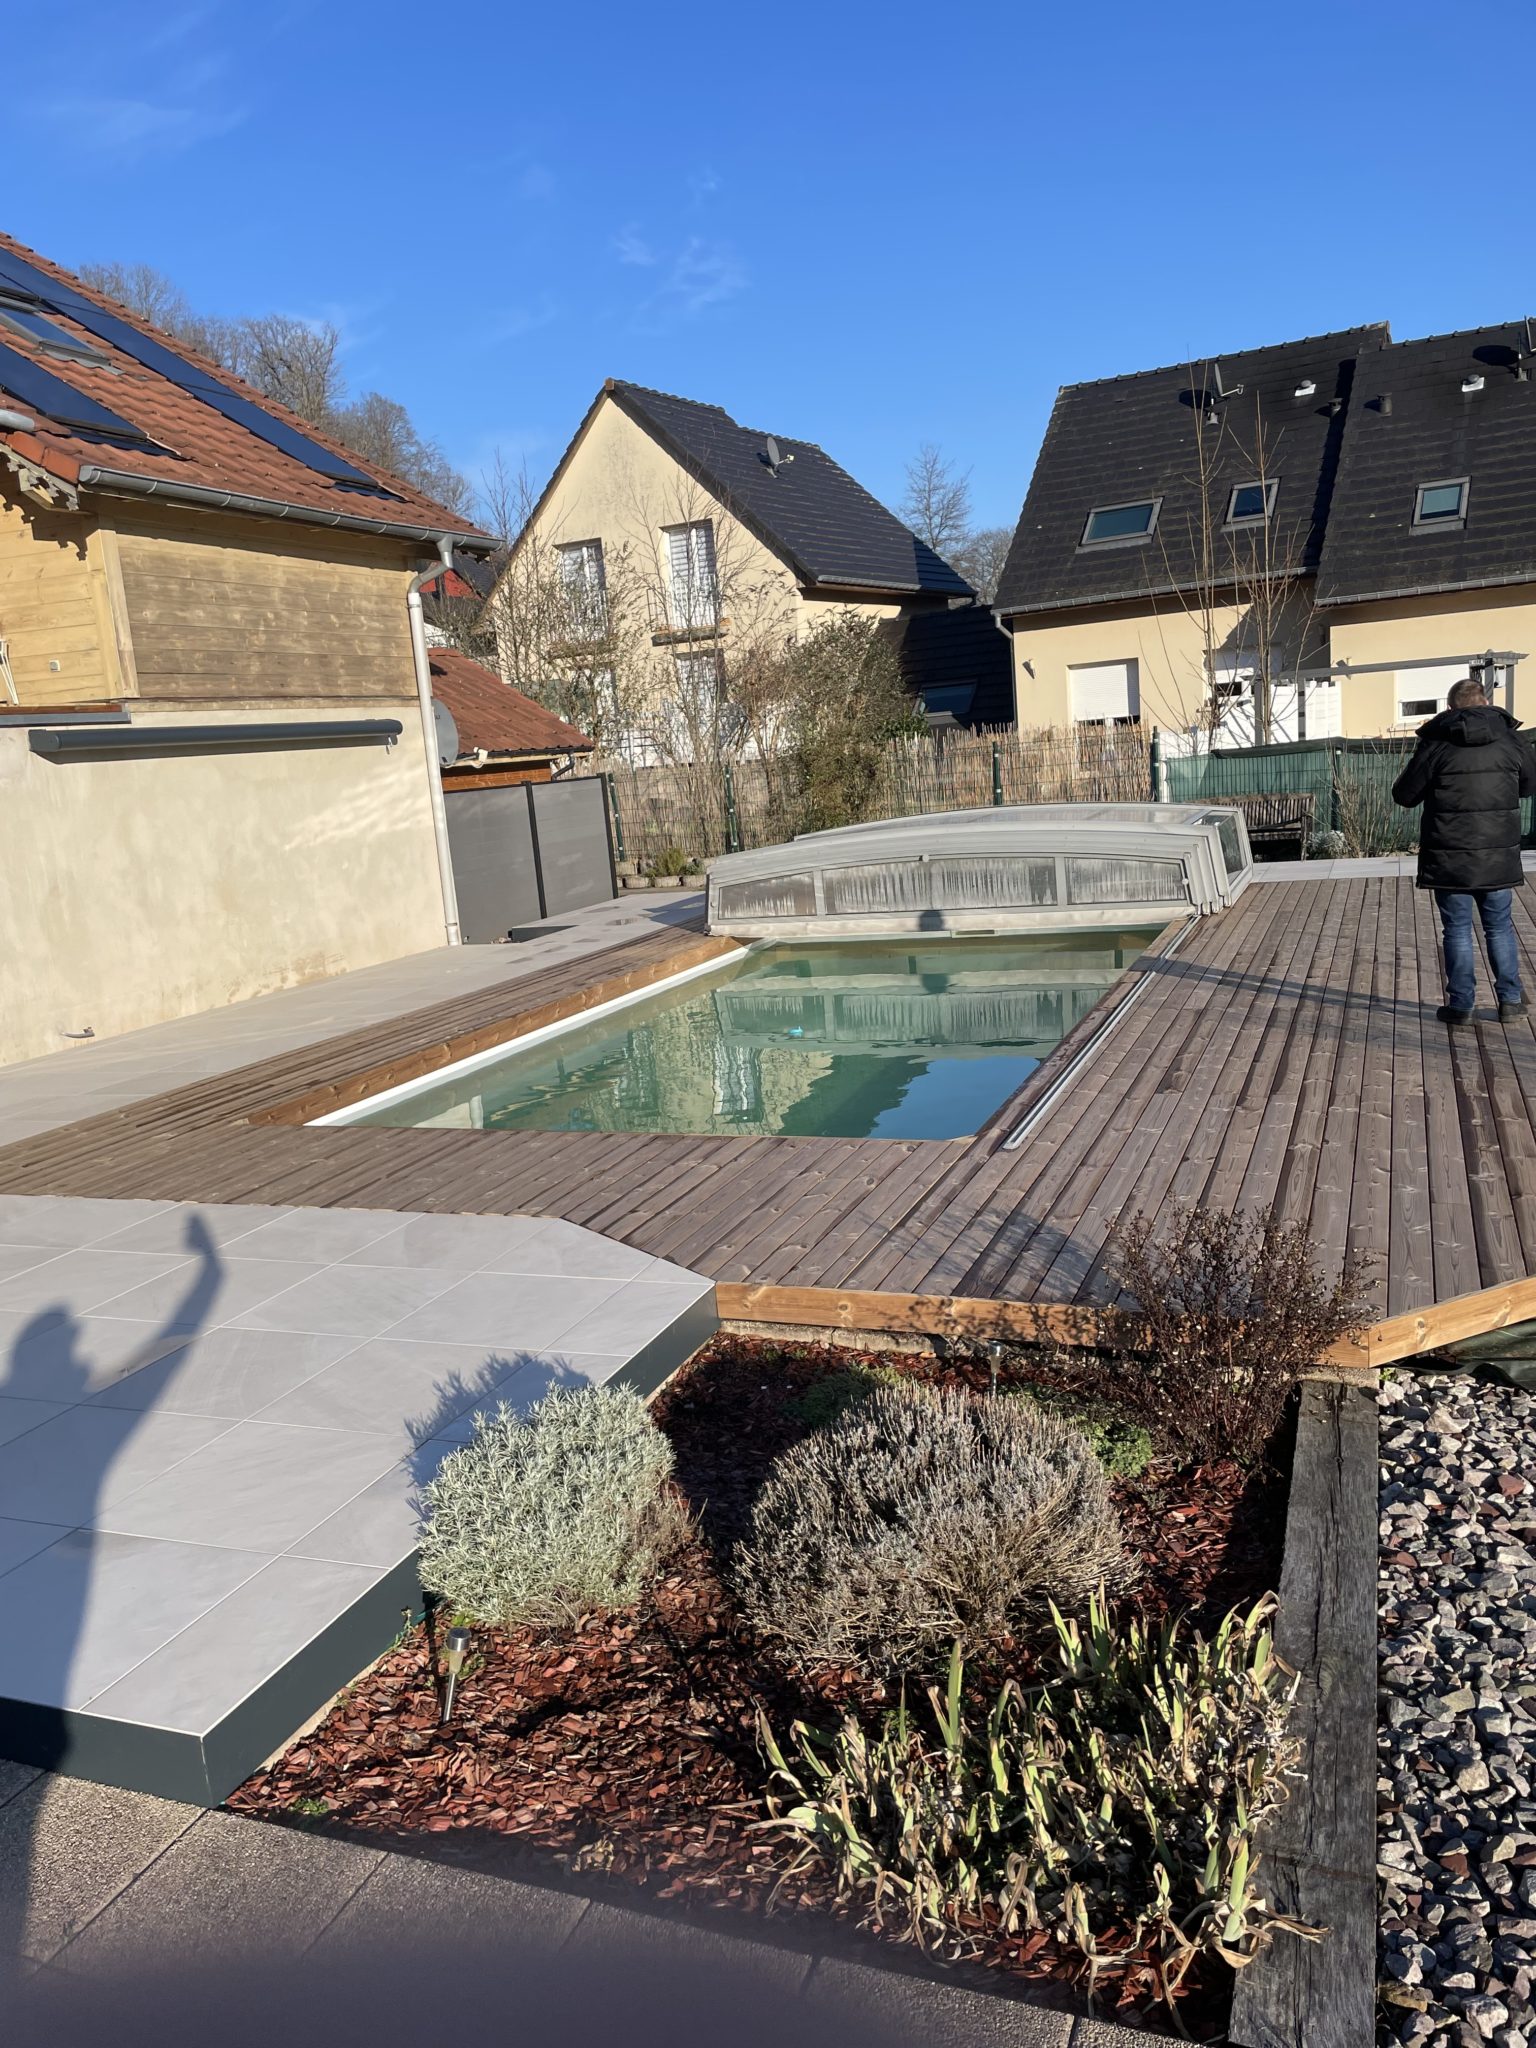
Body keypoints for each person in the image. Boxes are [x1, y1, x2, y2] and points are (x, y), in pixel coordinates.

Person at [1392, 675, 1536, 1025]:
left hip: (1448, 857)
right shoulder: (1511, 740)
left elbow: (1405, 795)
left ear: (1451, 708)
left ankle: (1460, 1005)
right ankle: (1511, 1000)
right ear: (1485, 702)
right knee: (1499, 927)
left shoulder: (1438, 743)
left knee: (1456, 930)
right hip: (1497, 855)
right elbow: (1529, 785)